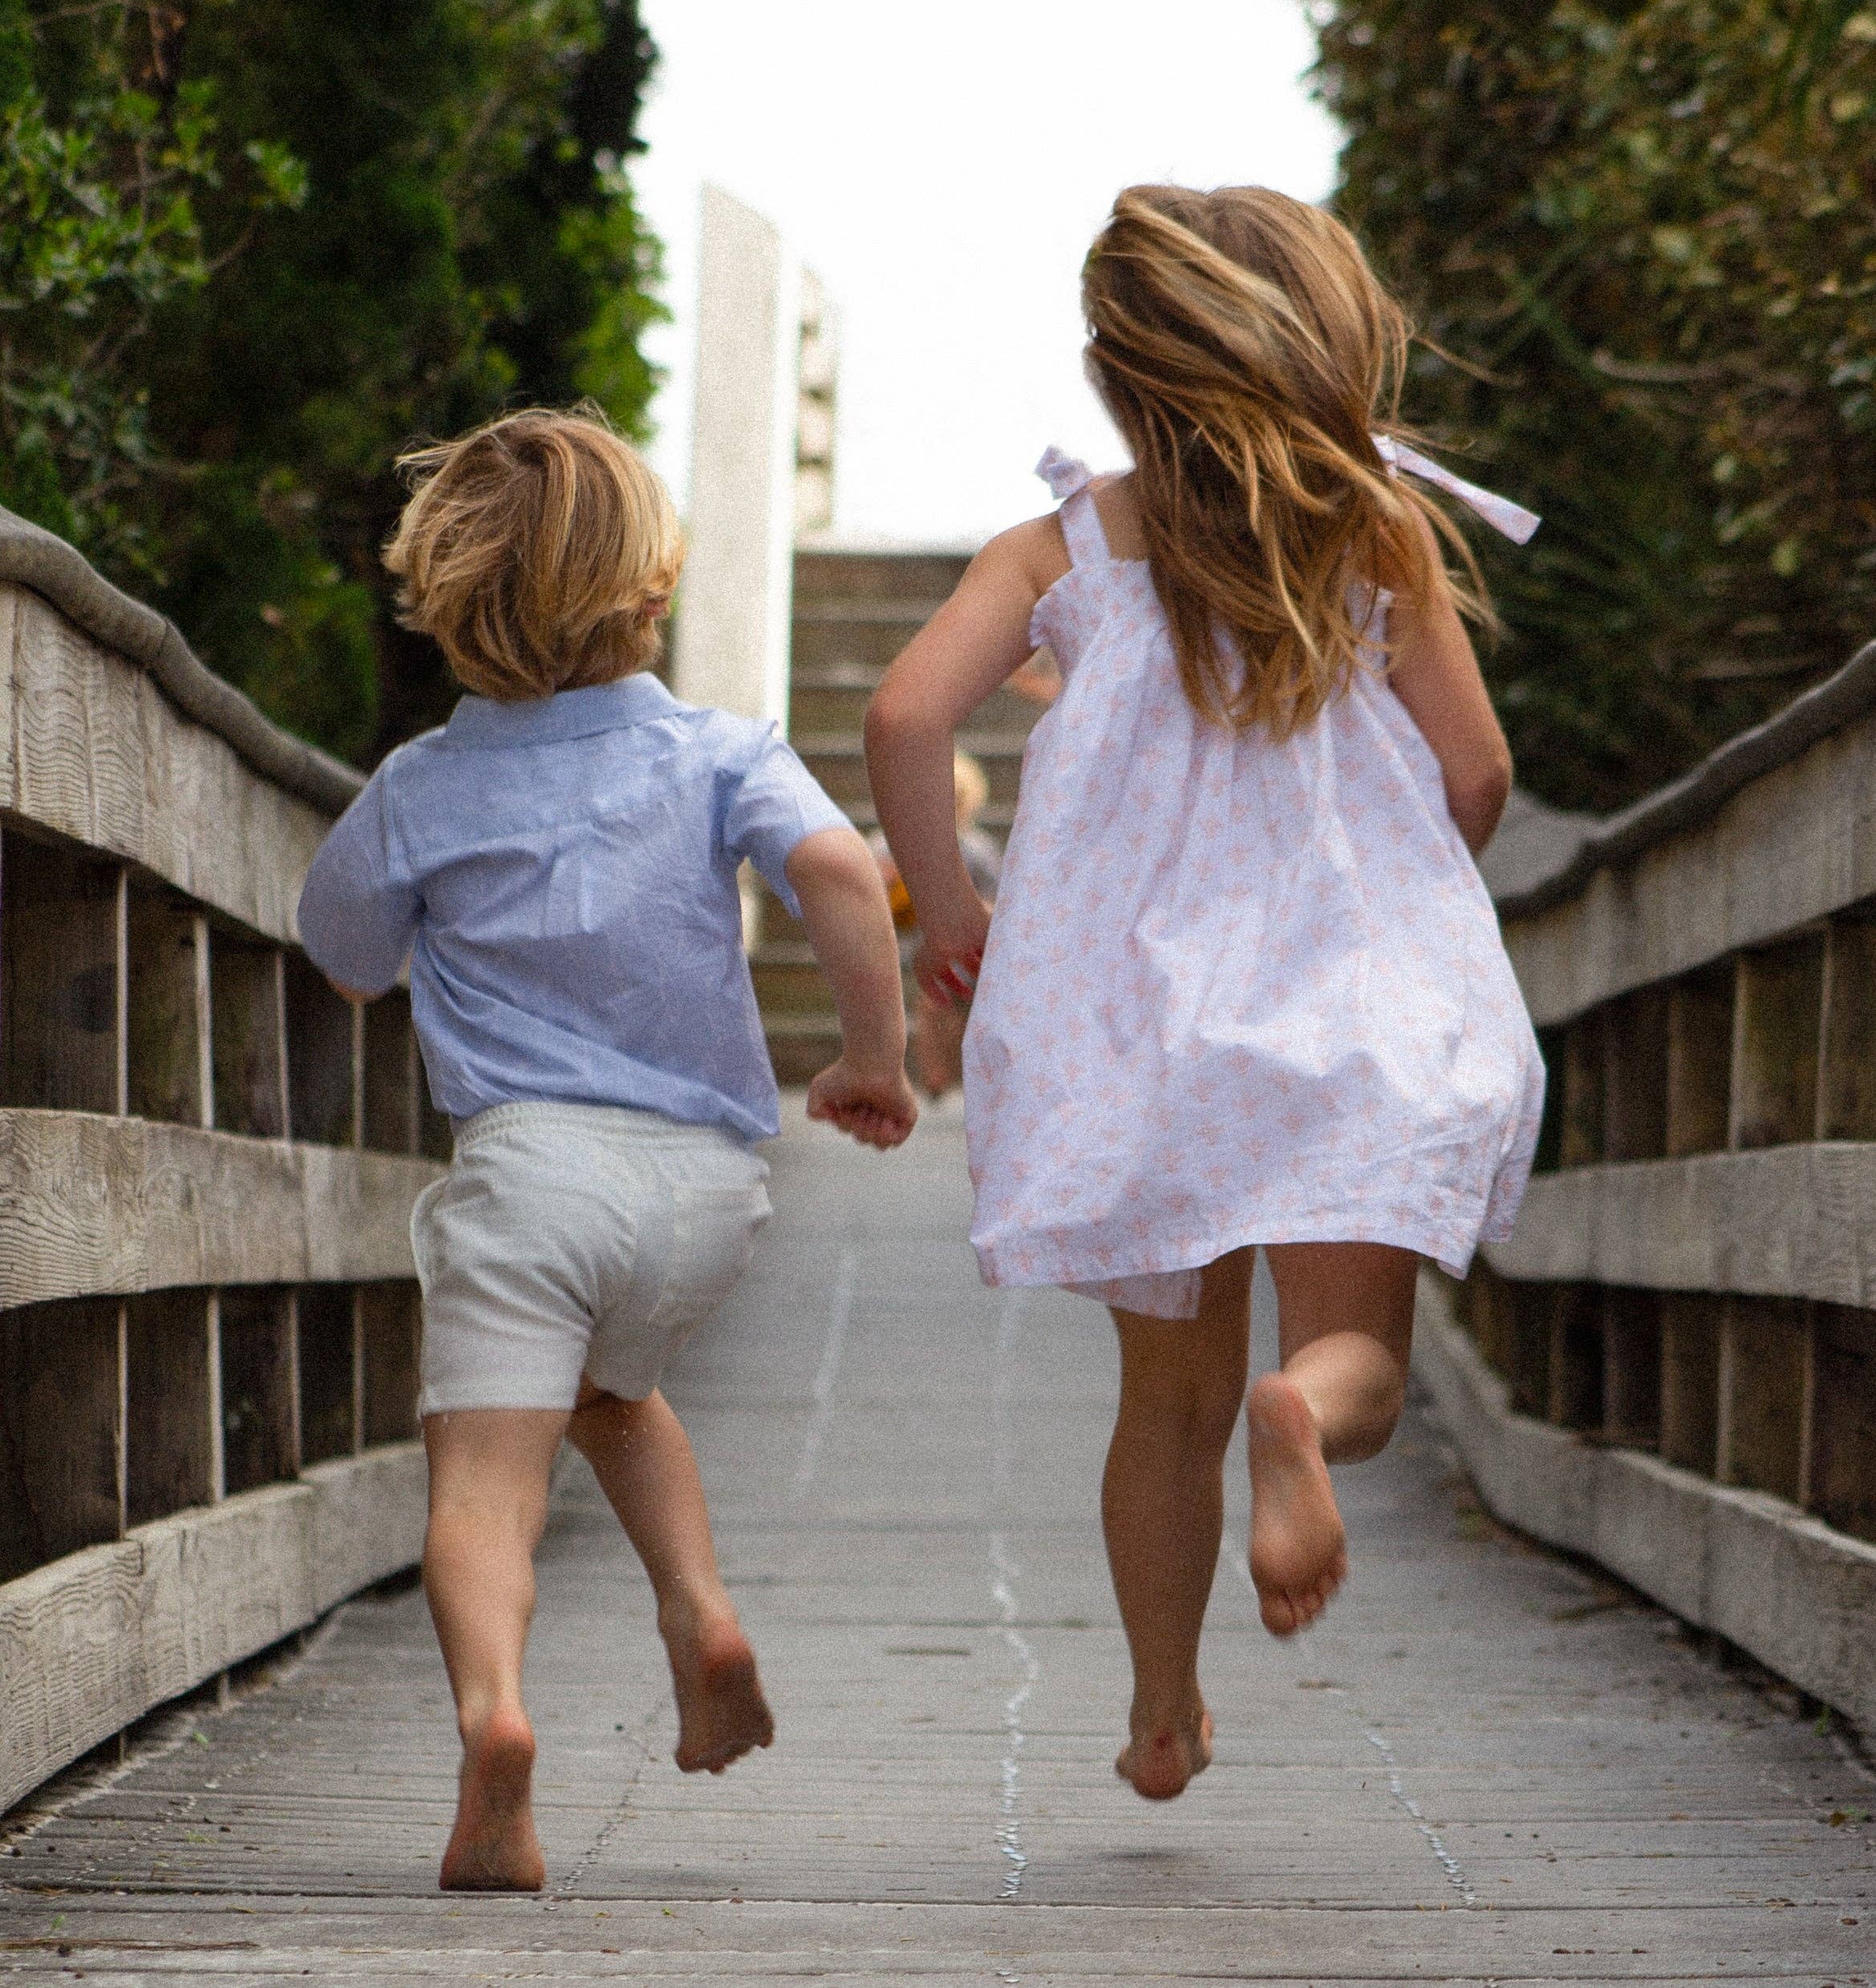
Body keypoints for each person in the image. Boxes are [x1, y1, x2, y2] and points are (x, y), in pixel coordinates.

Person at [862, 186, 1545, 1806]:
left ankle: (1161, 1708)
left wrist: (951, 917)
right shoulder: (1371, 527)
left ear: (1116, 371)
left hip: (1138, 1027)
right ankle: (1296, 1414)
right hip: (1341, 1011)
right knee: (1352, 1351)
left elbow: (901, 717)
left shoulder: (1061, 545)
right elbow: (1475, 769)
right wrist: (1405, 901)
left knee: (1160, 1404)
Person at [298, 407, 914, 1893]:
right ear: (653, 591)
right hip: (705, 1186)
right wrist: (873, 1056)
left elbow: (345, 955)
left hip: (530, 1174)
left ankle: (495, 1725)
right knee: (616, 1392)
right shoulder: (717, 754)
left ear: (447, 600)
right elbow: (838, 864)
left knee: (483, 1477)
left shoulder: (422, 785)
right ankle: (699, 1613)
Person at [869, 753, 1003, 1096]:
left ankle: (945, 1067)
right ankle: (934, 1070)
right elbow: (869, 877)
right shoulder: (891, 844)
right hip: (917, 938)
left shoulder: (976, 848)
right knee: (932, 1006)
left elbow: (997, 894)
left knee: (947, 1007)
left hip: (966, 942)